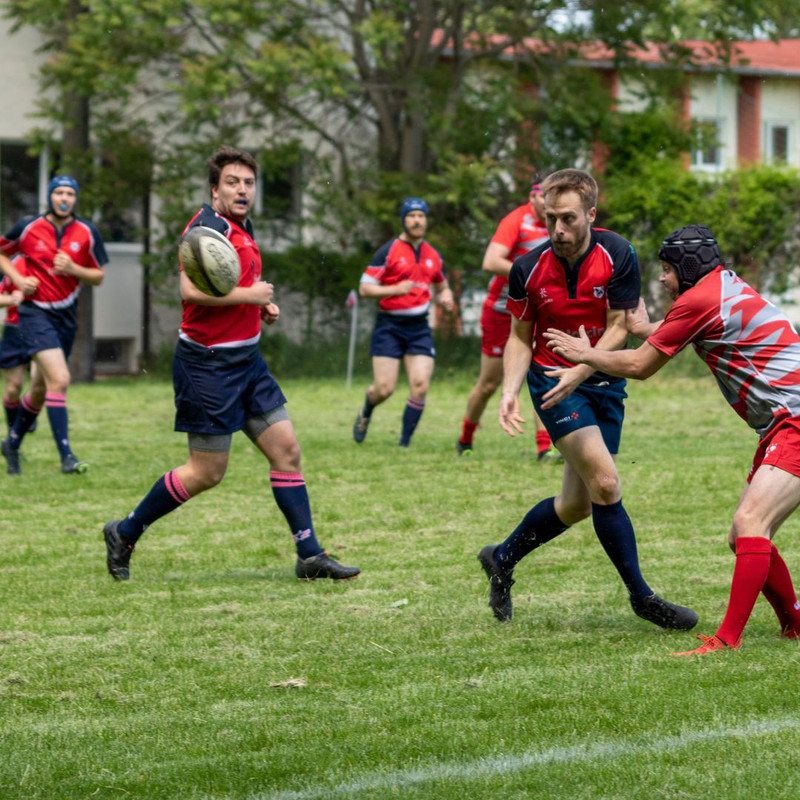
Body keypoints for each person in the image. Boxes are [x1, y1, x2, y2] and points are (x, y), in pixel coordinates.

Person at [103, 145, 360, 583]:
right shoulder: (204, 227)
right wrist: (251, 296)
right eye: (232, 183)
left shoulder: (242, 225)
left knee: (287, 452)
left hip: (248, 362)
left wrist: (260, 307)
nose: (242, 190)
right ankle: (125, 532)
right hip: (206, 366)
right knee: (207, 472)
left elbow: (229, 284)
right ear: (214, 189)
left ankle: (309, 555)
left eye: (248, 183)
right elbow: (189, 290)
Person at [545, 224, 800, 656]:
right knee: (744, 536)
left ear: (688, 266)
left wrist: (586, 353)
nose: (662, 279)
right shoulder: (719, 287)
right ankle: (794, 623)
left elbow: (642, 367)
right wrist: (645, 327)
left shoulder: (699, 298)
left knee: (750, 524)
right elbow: (680, 327)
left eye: (666, 269)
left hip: (795, 422)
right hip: (781, 423)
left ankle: (726, 640)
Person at [477, 168, 697, 631]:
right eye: (551, 218)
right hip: (553, 383)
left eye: (569, 218)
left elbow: (621, 323)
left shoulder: (618, 252)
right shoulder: (527, 267)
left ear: (591, 214)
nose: (558, 229)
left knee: (576, 504)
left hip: (601, 380)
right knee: (606, 484)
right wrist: (512, 391)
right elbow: (520, 337)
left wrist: (585, 366)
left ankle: (502, 557)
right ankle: (642, 597)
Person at [0, 175, 107, 475]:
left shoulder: (88, 231)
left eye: (69, 193)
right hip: (34, 313)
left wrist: (74, 268)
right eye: (58, 192)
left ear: (75, 198)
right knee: (59, 379)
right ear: (50, 196)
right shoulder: (28, 226)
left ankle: (11, 443)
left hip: (66, 316)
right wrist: (19, 280)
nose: (64, 198)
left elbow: (98, 276)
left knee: (38, 389)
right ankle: (67, 456)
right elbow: (2, 253)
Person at [457, 176, 558, 459]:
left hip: (539, 309)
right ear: (532, 196)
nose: (546, 203)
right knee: (490, 382)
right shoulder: (517, 220)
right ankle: (465, 438)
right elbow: (490, 261)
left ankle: (544, 447)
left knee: (544, 374)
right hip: (503, 311)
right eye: (542, 197)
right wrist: (530, 272)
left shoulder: (557, 224)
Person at [352, 197, 455, 447]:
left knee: (420, 385)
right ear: (404, 220)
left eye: (421, 216)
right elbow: (365, 289)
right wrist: (395, 289)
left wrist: (446, 297)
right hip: (389, 326)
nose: (417, 220)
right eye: (411, 216)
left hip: (419, 327)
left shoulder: (433, 255)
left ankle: (404, 443)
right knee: (384, 389)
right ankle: (367, 408)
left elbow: (442, 286)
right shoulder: (388, 251)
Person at [0, 272, 39, 441]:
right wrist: (12, 299)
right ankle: (13, 433)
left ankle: (27, 412)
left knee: (39, 384)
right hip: (14, 330)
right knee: (13, 388)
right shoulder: (10, 265)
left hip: (42, 330)